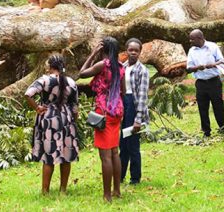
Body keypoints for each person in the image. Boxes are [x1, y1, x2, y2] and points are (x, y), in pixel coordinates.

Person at [25, 55, 79, 195]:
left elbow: (28, 94)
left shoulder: (44, 80)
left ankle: (45, 191)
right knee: (66, 155)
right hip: (66, 118)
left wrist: (37, 107)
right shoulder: (71, 82)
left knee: (49, 156)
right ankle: (63, 190)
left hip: (49, 118)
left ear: (49, 66)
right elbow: (75, 106)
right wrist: (73, 120)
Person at [79, 37, 125, 202]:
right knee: (114, 152)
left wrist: (92, 54)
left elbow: (81, 74)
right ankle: (117, 191)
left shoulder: (102, 65)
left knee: (105, 156)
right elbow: (123, 91)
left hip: (103, 112)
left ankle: (107, 196)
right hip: (117, 111)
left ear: (103, 49)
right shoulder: (120, 67)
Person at [185, 29, 224, 137]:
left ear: (200, 38)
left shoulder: (213, 46)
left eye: (192, 39)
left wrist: (213, 64)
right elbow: (189, 68)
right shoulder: (192, 51)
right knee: (202, 107)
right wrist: (197, 68)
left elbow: (221, 61)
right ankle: (206, 131)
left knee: (218, 106)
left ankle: (223, 129)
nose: (190, 41)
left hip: (214, 81)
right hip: (201, 83)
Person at [119, 38, 149, 185]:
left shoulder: (142, 70)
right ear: (126, 51)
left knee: (132, 144)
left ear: (140, 52)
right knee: (122, 143)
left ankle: (135, 178)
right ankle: (120, 175)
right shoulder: (122, 67)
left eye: (136, 50)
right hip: (123, 105)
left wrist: (138, 119)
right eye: (130, 50)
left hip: (134, 105)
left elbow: (143, 96)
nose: (133, 53)